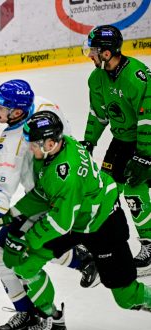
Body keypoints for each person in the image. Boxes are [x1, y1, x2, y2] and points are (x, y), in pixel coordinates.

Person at [0, 80, 98, 330]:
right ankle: (78, 262)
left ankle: (40, 315)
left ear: (17, 112)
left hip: (50, 201)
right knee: (12, 250)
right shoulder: (46, 108)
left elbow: (1, 191)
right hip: (60, 193)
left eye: (1, 108)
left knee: (7, 253)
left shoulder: (11, 144)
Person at [0, 110, 151, 330]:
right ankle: (51, 321)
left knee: (126, 297)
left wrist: (25, 240)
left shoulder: (65, 174)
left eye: (33, 144)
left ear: (50, 143)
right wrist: (11, 217)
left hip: (103, 226)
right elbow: (43, 194)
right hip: (75, 219)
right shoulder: (54, 152)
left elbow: (59, 224)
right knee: (26, 263)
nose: (30, 148)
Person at [81, 25, 151, 277]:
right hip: (121, 141)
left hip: (147, 142)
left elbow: (148, 119)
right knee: (105, 190)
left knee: (134, 189)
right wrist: (89, 142)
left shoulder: (137, 76)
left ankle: (150, 244)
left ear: (108, 53)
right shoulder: (96, 78)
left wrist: (144, 155)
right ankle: (107, 241)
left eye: (94, 50)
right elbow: (98, 115)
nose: (89, 55)